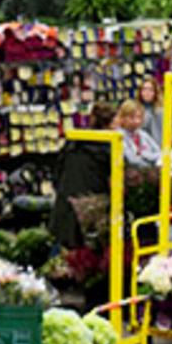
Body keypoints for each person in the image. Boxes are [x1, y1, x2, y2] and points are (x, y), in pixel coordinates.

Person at [50, 101, 118, 249]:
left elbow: (57, 169)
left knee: (61, 251)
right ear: (110, 124)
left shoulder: (75, 139)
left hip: (65, 201)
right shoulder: (110, 147)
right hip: (90, 208)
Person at [115, 100, 159, 168]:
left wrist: (143, 155)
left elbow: (159, 153)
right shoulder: (118, 135)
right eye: (132, 117)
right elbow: (132, 160)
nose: (137, 121)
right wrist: (151, 163)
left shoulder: (143, 134)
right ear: (122, 118)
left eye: (139, 117)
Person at [137, 76, 163, 150]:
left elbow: (159, 137)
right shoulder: (137, 108)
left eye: (150, 90)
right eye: (144, 89)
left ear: (155, 92)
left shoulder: (159, 111)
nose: (147, 93)